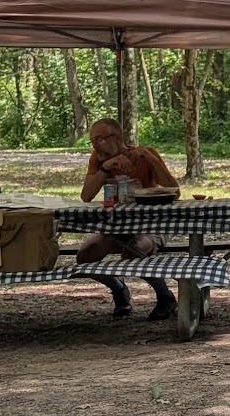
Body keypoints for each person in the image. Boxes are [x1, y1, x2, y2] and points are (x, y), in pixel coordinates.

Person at [77, 118, 180, 319]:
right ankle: (118, 288)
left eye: (99, 139)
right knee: (85, 258)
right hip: (116, 226)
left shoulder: (144, 154)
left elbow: (175, 192)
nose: (95, 145)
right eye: (92, 141)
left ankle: (165, 297)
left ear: (115, 138)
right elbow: (86, 196)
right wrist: (105, 168)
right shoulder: (98, 160)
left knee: (134, 251)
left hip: (151, 224)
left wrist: (153, 160)